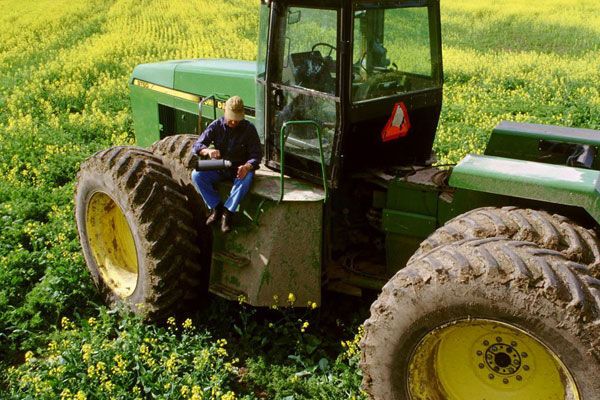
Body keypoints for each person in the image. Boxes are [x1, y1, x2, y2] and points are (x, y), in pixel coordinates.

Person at [191, 96, 262, 233]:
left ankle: (227, 213)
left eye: (237, 119)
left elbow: (256, 155)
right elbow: (197, 145)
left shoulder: (249, 129)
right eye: (231, 118)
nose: (234, 122)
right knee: (197, 175)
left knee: (247, 178)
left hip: (239, 168)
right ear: (225, 113)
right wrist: (207, 151)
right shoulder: (216, 126)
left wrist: (247, 167)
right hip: (220, 165)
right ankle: (216, 207)